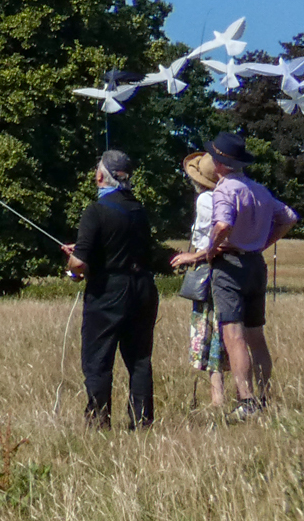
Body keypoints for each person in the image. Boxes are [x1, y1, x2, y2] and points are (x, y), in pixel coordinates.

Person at [186, 132, 297, 418]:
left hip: (230, 266)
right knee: (256, 335)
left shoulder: (225, 189)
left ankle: (246, 401)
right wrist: (263, 242)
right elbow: (288, 217)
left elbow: (223, 225)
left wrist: (211, 250)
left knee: (233, 335)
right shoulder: (259, 190)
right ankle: (264, 397)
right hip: (256, 264)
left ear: (220, 164)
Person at [59, 149, 158, 429]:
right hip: (142, 288)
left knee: (98, 360)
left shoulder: (96, 211)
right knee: (139, 359)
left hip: (108, 291)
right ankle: (142, 422)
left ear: (101, 176)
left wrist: (73, 263)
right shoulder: (139, 209)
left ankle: (99, 422)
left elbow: (79, 264)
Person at [170, 152, 230, 411]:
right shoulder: (230, 196)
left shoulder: (206, 199)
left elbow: (208, 238)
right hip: (229, 268)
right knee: (225, 330)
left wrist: (192, 256)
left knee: (212, 331)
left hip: (209, 267)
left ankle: (217, 397)